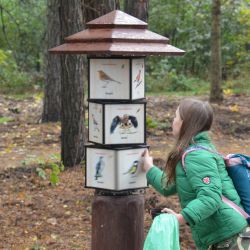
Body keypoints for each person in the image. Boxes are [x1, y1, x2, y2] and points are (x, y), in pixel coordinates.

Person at [141, 98, 249, 250]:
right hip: (220, 237)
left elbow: (210, 197)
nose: (173, 120)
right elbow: (167, 186)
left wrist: (180, 218)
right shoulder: (192, 152)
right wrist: (149, 168)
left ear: (185, 122)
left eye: (176, 116)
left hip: (229, 238)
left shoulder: (196, 155)